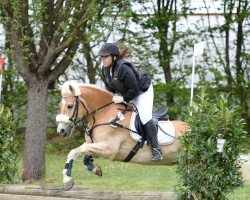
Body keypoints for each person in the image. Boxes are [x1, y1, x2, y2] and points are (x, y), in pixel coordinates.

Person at [99, 43, 163, 161]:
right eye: (102, 57)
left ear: (114, 57)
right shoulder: (105, 70)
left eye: (105, 57)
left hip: (142, 91)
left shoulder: (123, 68)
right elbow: (110, 89)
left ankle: (156, 149)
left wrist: (123, 99)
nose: (103, 60)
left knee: (144, 117)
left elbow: (134, 89)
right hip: (128, 93)